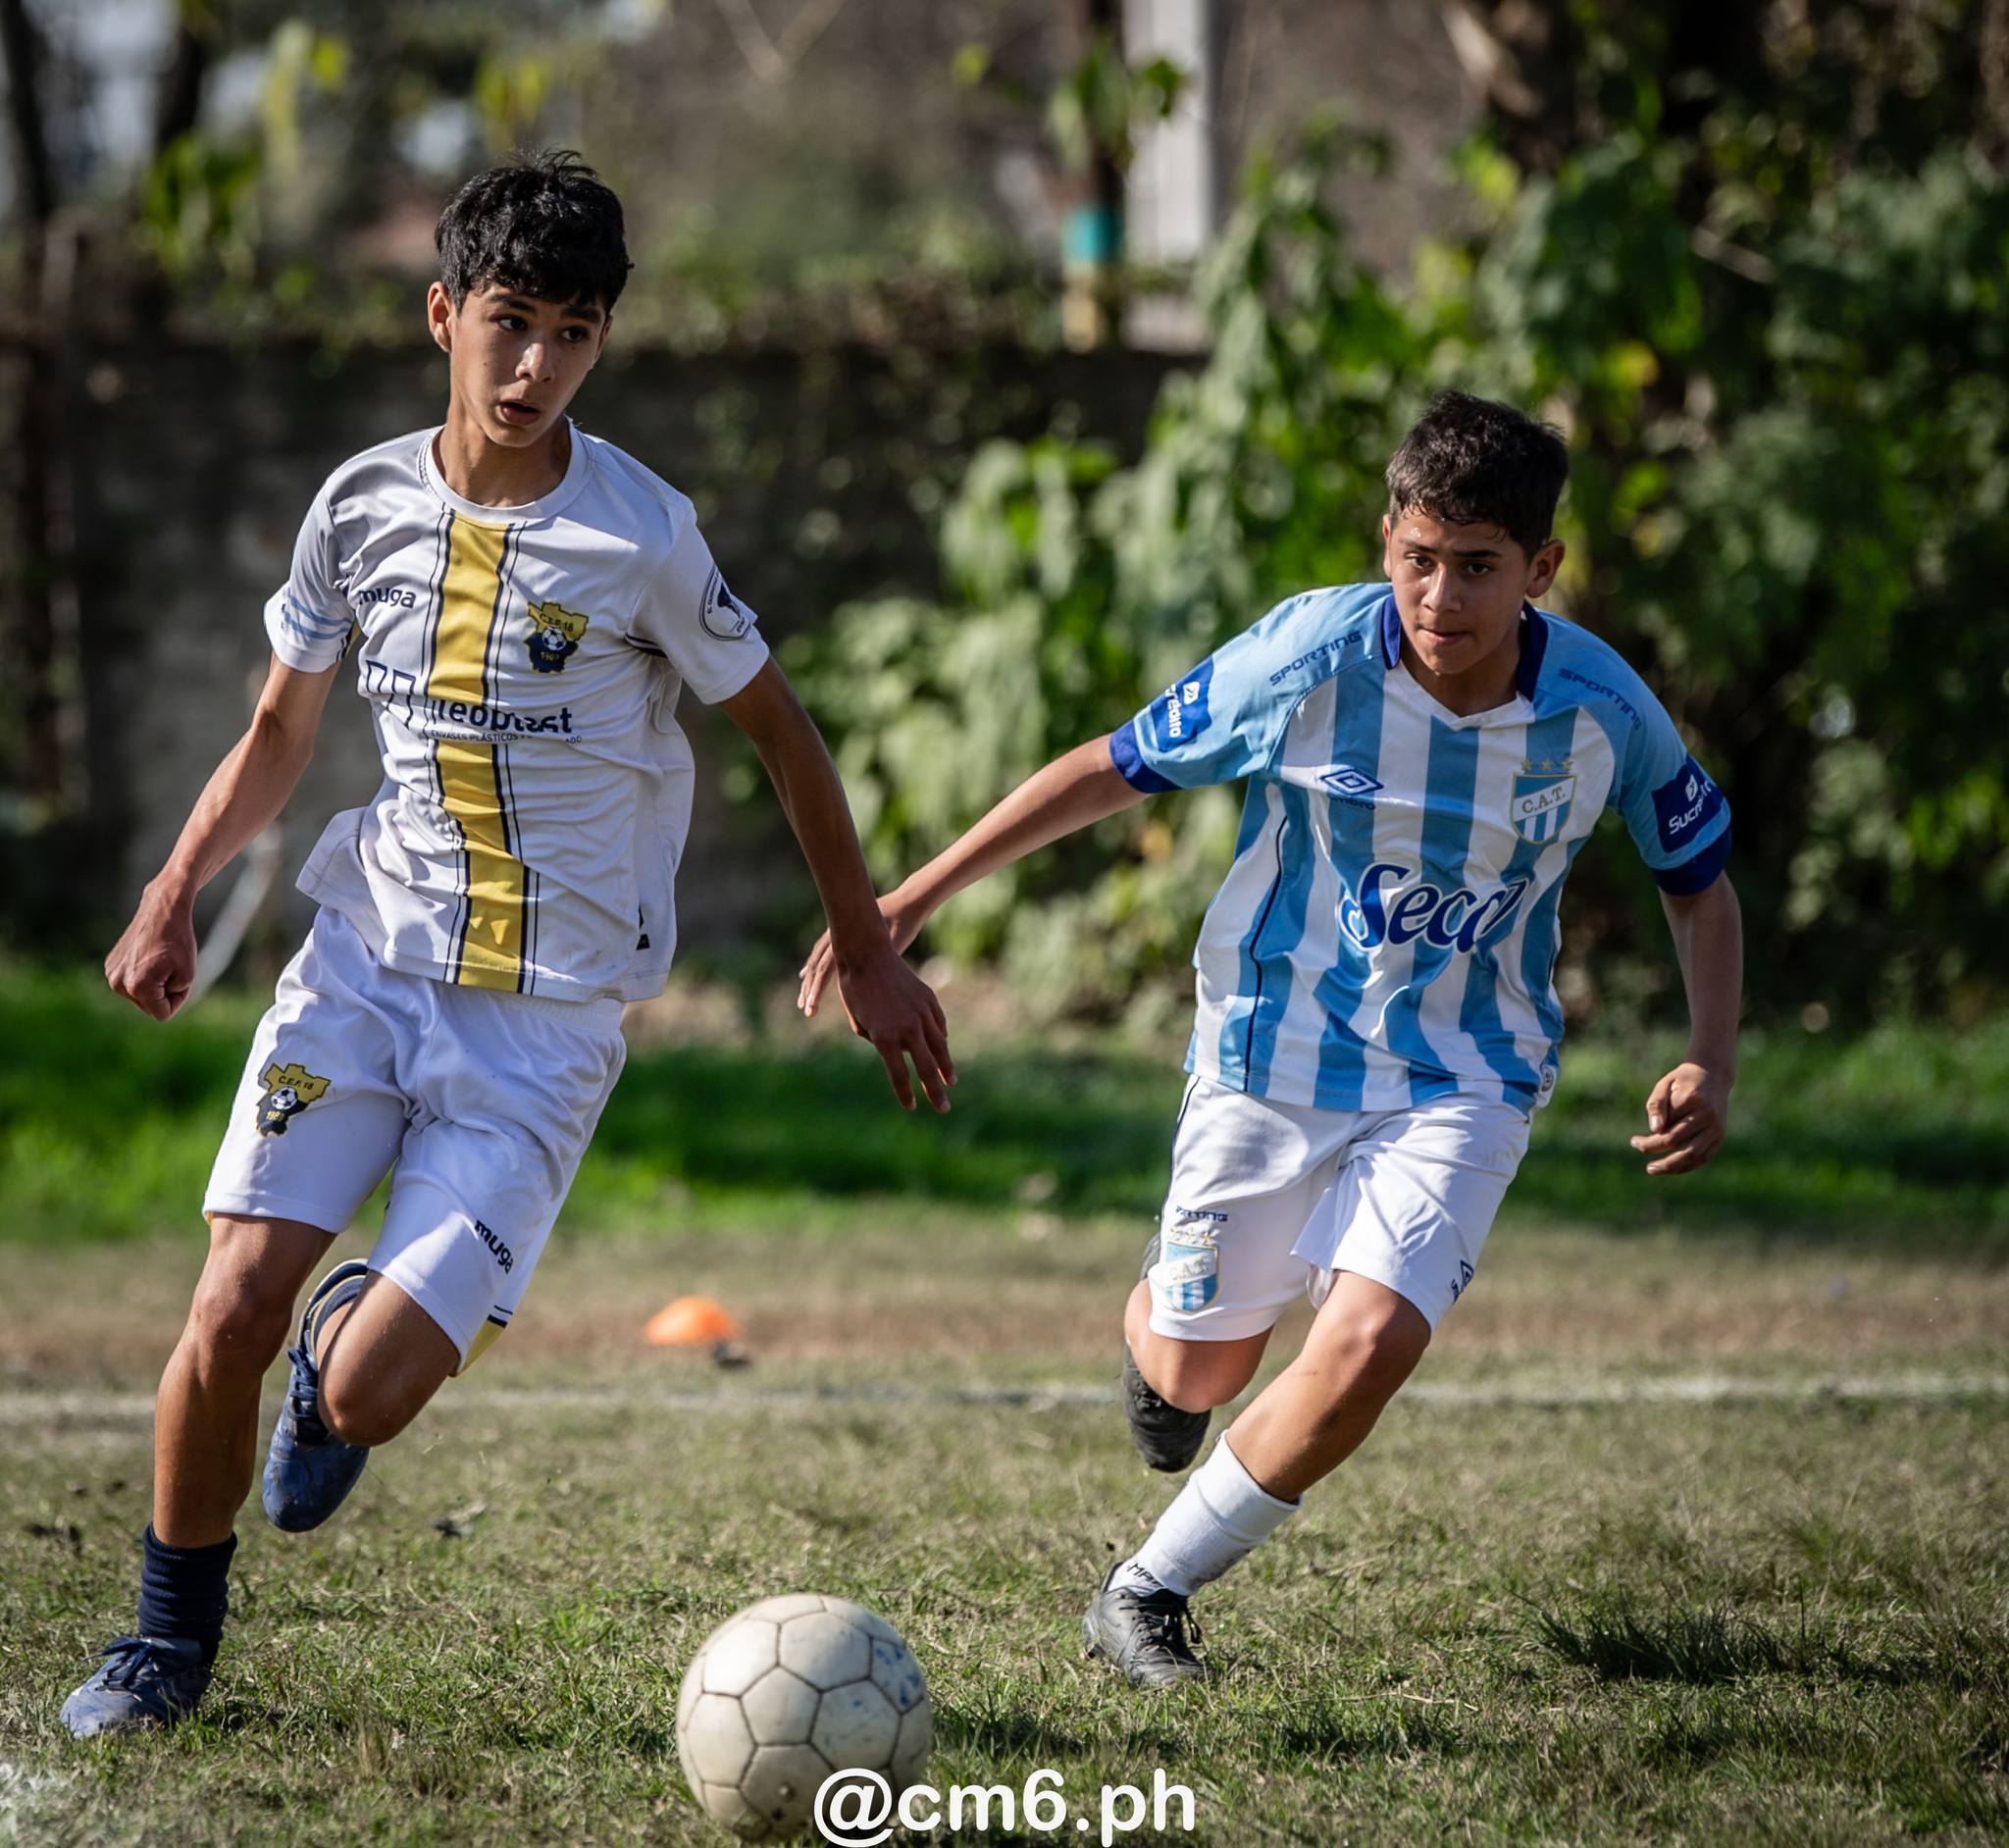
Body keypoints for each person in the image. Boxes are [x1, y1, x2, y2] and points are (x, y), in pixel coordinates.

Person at [62, 151, 953, 1738]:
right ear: (443, 315)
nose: (537, 363)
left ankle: (345, 1359)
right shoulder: (359, 507)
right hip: (363, 967)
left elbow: (786, 740)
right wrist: (174, 885)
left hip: (541, 1031)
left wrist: (867, 943)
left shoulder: (646, 539)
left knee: (371, 1387)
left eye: (576, 331)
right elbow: (279, 730)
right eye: (511, 320)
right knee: (224, 1310)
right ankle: (161, 1646)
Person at [798, 391, 1741, 1686]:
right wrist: (912, 898)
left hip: (1469, 1073)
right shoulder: (1307, 660)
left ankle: (1148, 1591)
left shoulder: (1601, 711)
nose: (1442, 595)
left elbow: (1697, 879)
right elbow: (1111, 766)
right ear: (1385, 543)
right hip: (1267, 1051)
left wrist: (1713, 1053)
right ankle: (1164, 1336)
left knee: (1369, 1337)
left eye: (1479, 569)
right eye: (1418, 558)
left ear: (1541, 571)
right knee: (1197, 1371)